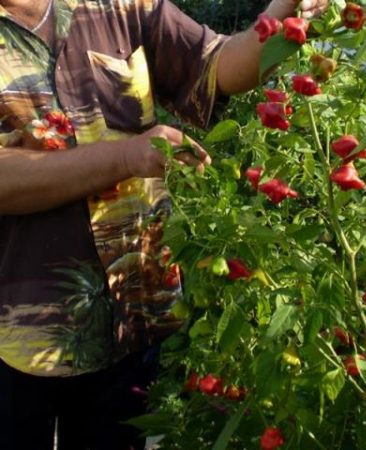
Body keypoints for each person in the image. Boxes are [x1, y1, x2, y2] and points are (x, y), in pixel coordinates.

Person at [0, 0, 327, 448]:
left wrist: (284, 13)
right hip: (14, 333)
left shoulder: (120, 6)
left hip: (132, 314)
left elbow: (220, 65)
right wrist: (127, 156)